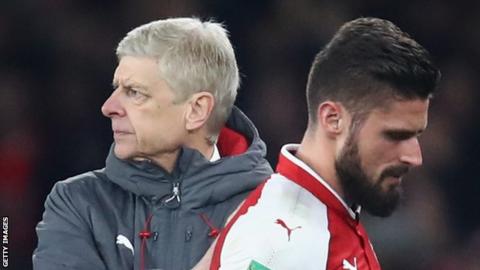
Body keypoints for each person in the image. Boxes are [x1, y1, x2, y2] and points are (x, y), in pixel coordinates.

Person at [33, 17, 273, 270]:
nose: (108, 107)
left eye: (134, 92)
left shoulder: (275, 212)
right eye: (116, 89)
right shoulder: (78, 203)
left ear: (196, 110)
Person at [210, 17, 441, 270]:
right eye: (395, 136)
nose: (414, 157)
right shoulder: (282, 241)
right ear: (333, 119)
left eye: (416, 135)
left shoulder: (329, 219)